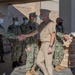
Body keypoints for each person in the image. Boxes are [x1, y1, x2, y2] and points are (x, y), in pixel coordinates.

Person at [18, 9, 56, 75]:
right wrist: (25, 35)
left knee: (48, 63)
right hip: (42, 44)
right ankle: (46, 73)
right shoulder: (42, 24)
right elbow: (35, 32)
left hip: (48, 44)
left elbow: (53, 34)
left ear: (45, 15)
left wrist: (50, 46)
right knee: (39, 61)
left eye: (41, 14)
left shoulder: (50, 23)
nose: (40, 16)